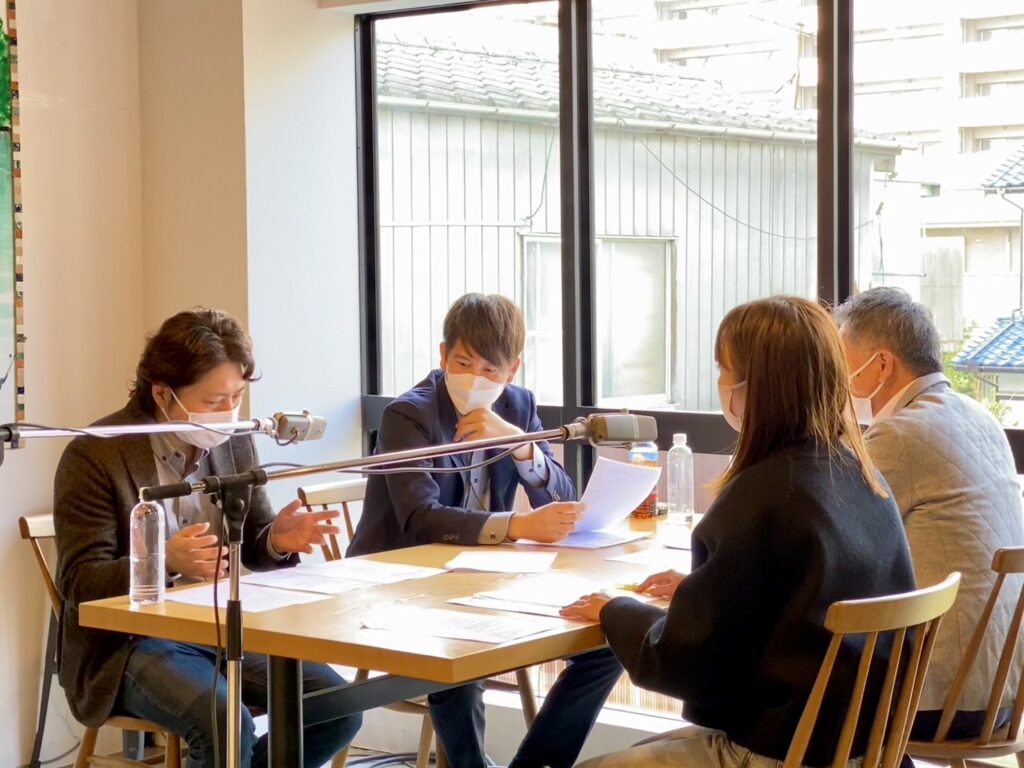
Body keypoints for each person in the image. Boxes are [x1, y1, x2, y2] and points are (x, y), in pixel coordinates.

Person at [563, 296, 917, 768]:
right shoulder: (862, 478)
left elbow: (687, 662)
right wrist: (701, 588)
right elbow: (794, 594)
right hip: (862, 751)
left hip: (776, 753)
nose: (721, 383)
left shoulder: (764, 493)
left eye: (724, 370)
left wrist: (615, 610)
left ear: (756, 388)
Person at [54, 309, 361, 768]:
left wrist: (277, 540)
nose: (229, 414)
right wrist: (164, 561)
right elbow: (80, 583)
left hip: (219, 624)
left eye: (237, 396)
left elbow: (253, 539)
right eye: (215, 400)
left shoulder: (234, 440)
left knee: (337, 706)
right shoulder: (96, 454)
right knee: (225, 723)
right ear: (163, 392)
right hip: (130, 644)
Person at [348, 292, 622, 768]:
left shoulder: (517, 405)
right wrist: (515, 525)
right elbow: (420, 518)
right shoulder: (408, 414)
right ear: (442, 355)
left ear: (512, 370)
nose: (476, 379)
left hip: (484, 581)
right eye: (463, 363)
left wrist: (519, 444)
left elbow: (560, 497)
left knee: (607, 642)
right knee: (457, 654)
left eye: (490, 370)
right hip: (398, 584)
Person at [835, 286, 1024, 739]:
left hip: (939, 700)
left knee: (789, 691)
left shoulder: (899, 435)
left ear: (881, 365)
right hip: (1004, 691)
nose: (838, 382)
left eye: (842, 366)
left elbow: (834, 540)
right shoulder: (979, 417)